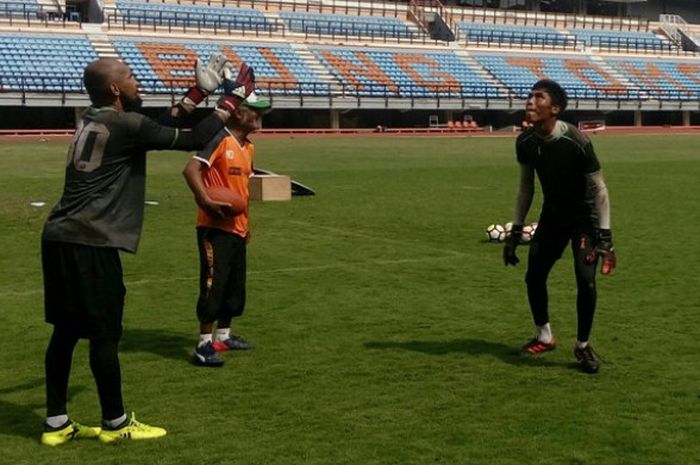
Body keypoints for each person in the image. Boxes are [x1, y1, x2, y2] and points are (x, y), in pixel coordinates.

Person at [40, 56, 256, 445]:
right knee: (105, 335)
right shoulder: (127, 124)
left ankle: (56, 423)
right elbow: (190, 138)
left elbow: (160, 124)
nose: (138, 81)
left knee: (65, 333)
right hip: (91, 240)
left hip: (58, 236)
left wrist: (198, 93)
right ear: (115, 89)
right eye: (131, 77)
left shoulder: (95, 117)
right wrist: (230, 100)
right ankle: (116, 423)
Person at [503, 79, 616, 375]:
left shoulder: (576, 141)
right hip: (552, 216)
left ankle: (582, 346)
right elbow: (526, 187)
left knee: (585, 279)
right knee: (534, 276)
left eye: (538, 97)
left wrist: (605, 238)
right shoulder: (525, 142)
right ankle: (544, 335)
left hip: (584, 219)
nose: (530, 101)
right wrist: (516, 230)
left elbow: (600, 189)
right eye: (529, 95)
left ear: (555, 109)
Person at [182, 89, 272, 367]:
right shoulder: (220, 139)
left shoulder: (249, 146)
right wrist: (205, 199)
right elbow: (191, 169)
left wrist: (247, 223)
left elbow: (243, 189)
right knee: (214, 285)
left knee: (234, 286)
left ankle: (223, 336)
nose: (259, 117)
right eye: (254, 110)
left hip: (238, 228)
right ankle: (203, 345)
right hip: (215, 227)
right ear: (237, 112)